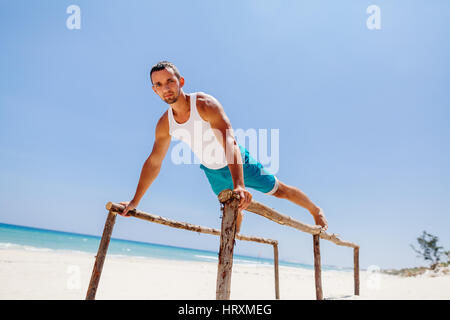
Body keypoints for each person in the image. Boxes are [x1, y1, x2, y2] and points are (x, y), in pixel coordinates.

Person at [119, 61, 328, 233]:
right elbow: (154, 162)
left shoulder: (204, 104)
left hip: (237, 162)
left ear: (180, 82)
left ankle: (314, 209)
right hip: (212, 171)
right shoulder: (165, 124)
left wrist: (239, 184)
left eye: (170, 81)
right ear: (154, 90)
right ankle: (233, 246)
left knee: (279, 191)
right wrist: (135, 200)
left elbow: (230, 142)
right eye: (159, 85)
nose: (166, 88)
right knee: (231, 209)